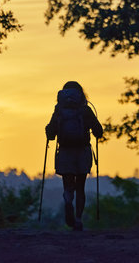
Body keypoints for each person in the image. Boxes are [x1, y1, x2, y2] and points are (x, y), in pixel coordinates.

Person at [45, 81, 103, 231]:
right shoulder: (86, 110)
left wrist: (50, 130)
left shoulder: (59, 110)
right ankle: (78, 219)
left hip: (65, 152)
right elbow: (99, 132)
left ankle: (67, 199)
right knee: (81, 187)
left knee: (68, 184)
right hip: (82, 152)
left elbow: (51, 134)